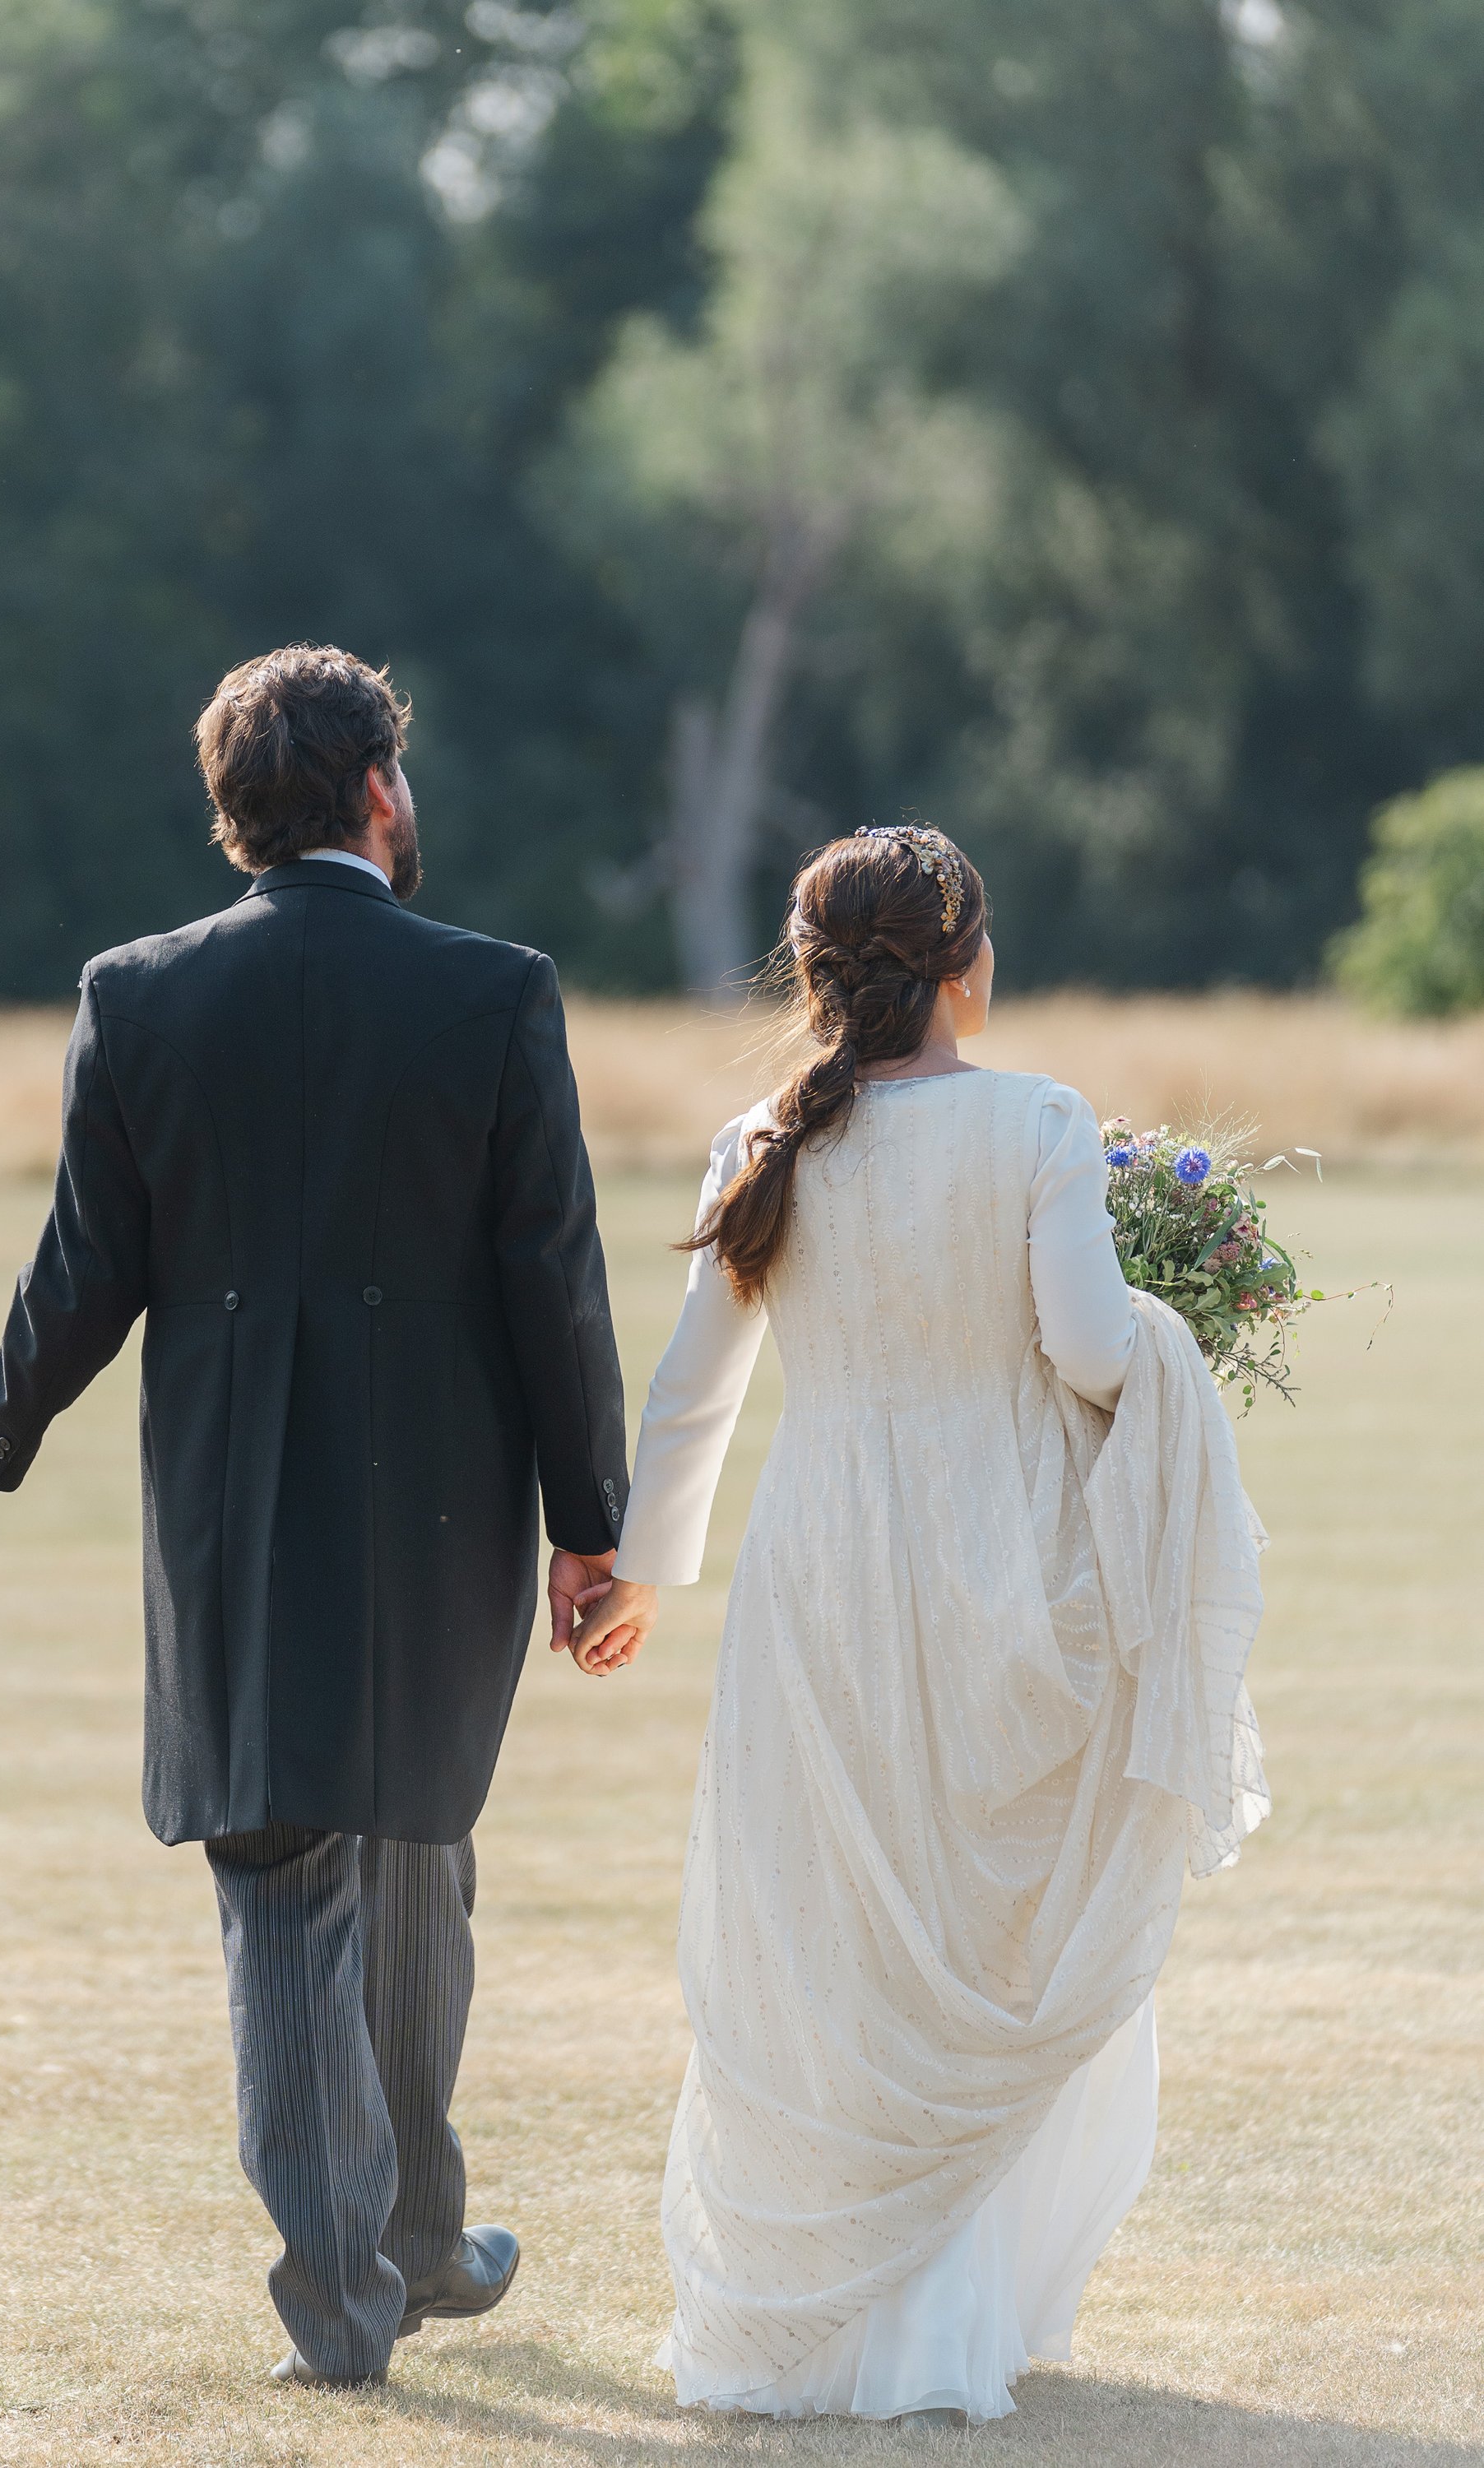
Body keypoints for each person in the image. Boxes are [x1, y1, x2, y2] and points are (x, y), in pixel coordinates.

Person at [0, 645, 630, 2390]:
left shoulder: (138, 994)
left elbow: (84, 1270)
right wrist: (590, 1527)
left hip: (235, 1524)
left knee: (286, 1890)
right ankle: (405, 2250)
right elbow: (550, 1281)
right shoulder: (495, 992)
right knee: (410, 1855)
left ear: (231, 813)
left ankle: (368, 2285)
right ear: (378, 792)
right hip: (447, 1518)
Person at [571, 826, 1268, 2427]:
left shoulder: (766, 1135)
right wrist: (1179, 1331)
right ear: (967, 960)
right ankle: (953, 2324)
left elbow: (692, 1392)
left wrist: (642, 1578)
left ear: (814, 973)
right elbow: (1090, 1351)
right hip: (998, 1563)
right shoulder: (1032, 1122)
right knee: (980, 1923)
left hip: (819, 1569)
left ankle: (848, 2332)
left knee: (839, 1938)